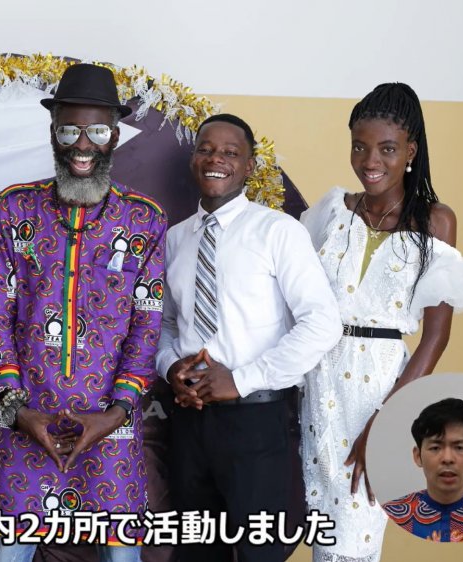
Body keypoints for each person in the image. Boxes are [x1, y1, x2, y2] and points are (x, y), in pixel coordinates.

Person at [0, 63, 168, 562]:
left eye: (97, 132)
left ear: (115, 136)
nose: (82, 145)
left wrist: (117, 412)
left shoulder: (145, 219)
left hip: (110, 426)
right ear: (52, 133)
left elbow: (147, 326)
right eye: (69, 131)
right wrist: (17, 409)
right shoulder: (14, 208)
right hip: (27, 419)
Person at [299, 83, 463, 561]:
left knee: (355, 532)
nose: (370, 161)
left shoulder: (436, 222)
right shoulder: (331, 211)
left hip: (377, 388)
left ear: (411, 151)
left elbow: (436, 336)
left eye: (386, 149)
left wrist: (388, 420)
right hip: (316, 381)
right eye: (359, 147)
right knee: (317, 525)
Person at [157, 113, 341, 562]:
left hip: (256, 421)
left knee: (262, 552)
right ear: (193, 159)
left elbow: (322, 323)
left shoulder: (278, 231)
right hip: (189, 422)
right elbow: (165, 324)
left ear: (249, 166)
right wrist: (170, 366)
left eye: (230, 152)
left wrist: (240, 380)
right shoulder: (175, 239)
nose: (215, 159)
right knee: (196, 554)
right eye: (205, 150)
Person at [382, 398, 463, 542]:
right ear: (418, 456)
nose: (447, 458)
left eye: (459, 447)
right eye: (435, 448)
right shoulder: (387, 519)